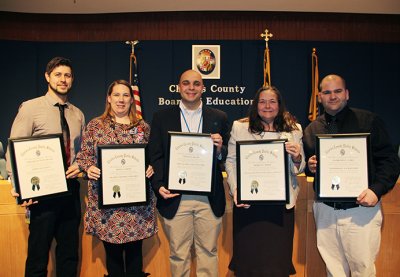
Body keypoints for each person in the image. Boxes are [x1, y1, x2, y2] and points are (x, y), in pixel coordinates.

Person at [303, 74, 400, 277]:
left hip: (361, 209)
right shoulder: (312, 129)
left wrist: (376, 190)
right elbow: (309, 166)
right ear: (320, 96)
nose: (332, 96)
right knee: (334, 271)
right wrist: (310, 166)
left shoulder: (369, 121)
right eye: (327, 92)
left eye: (337, 91)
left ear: (346, 94)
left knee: (363, 270)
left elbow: (390, 162)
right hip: (326, 210)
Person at [6, 57, 85, 277]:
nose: (63, 80)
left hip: (70, 190)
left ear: (72, 80)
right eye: (58, 74)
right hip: (42, 193)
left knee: (69, 254)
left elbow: (81, 152)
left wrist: (79, 165)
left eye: (67, 75)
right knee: (38, 255)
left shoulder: (77, 114)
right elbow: (15, 148)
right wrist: (18, 185)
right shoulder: (30, 108)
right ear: (47, 77)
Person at [148, 69, 230, 276]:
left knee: (209, 252)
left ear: (203, 88)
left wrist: (220, 149)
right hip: (176, 196)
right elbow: (155, 155)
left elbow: (227, 156)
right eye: (186, 83)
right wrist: (158, 186)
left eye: (196, 83)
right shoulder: (161, 117)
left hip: (208, 196)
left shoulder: (219, 117)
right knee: (178, 254)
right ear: (178, 87)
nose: (191, 88)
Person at [76, 80, 157, 277]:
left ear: (131, 100)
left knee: (135, 258)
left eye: (125, 95)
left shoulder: (143, 128)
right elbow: (83, 156)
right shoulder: (95, 126)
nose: (121, 99)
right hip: (108, 207)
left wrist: (151, 167)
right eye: (117, 95)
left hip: (136, 206)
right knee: (113, 261)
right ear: (109, 98)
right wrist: (89, 168)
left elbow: (154, 157)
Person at [225, 86, 306, 277]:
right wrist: (237, 189)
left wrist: (297, 157)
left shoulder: (294, 130)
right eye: (262, 101)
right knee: (247, 263)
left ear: (280, 105)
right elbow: (231, 161)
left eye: (272, 101)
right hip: (248, 205)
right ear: (255, 105)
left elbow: (300, 167)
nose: (267, 106)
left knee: (277, 264)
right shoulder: (240, 127)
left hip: (280, 208)